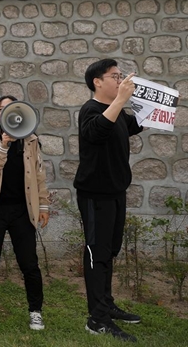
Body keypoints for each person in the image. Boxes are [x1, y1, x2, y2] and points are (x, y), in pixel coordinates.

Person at [74, 59, 143, 342]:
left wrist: (154, 103)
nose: (120, 80)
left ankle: (106, 304)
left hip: (116, 192)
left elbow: (136, 124)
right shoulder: (90, 110)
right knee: (96, 254)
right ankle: (96, 319)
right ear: (97, 82)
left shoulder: (117, 112)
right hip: (95, 195)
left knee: (110, 251)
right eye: (115, 76)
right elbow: (97, 131)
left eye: (121, 76)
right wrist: (122, 101)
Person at [0, 95, 50, 333]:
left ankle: (35, 311)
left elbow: (39, 174)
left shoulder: (31, 139)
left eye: (11, 108)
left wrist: (43, 205)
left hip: (22, 211)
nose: (7, 113)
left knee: (30, 264)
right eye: (2, 108)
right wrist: (3, 145)